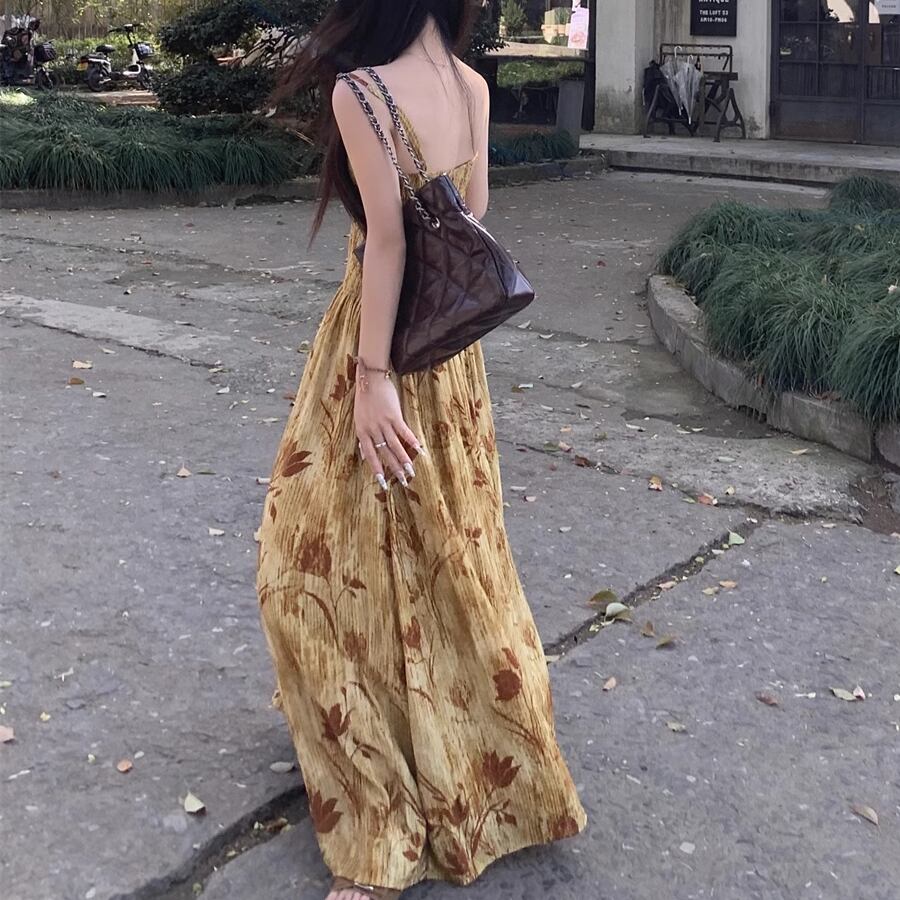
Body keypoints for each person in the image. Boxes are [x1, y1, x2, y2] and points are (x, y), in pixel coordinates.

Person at [254, 2, 587, 898]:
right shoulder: (472, 87)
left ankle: (381, 805)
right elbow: (471, 216)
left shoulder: (362, 92)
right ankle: (473, 755)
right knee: (450, 554)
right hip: (454, 364)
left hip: (382, 355)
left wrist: (372, 378)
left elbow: (391, 242)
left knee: (306, 559)